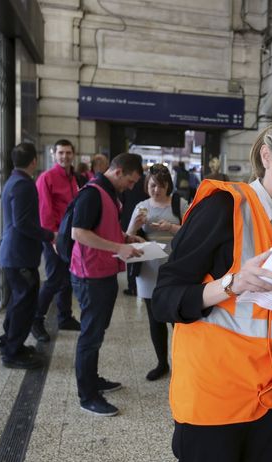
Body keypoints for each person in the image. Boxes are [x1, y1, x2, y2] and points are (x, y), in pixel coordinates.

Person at [152, 113, 272, 462]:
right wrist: (231, 284)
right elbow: (165, 298)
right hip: (216, 394)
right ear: (266, 156)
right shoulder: (223, 206)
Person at [70, 153, 145, 416]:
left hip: (103, 272)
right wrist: (118, 247)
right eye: (131, 181)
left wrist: (126, 238)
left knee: (97, 332)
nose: (132, 187)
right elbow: (78, 232)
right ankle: (87, 395)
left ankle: (93, 379)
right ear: (119, 171)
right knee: (90, 336)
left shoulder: (108, 193)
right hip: (90, 274)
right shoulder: (92, 193)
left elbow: (102, 228)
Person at [126, 164, 189, 381]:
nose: (156, 190)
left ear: (168, 185)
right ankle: (162, 363)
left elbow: (194, 230)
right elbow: (128, 237)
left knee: (176, 318)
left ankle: (183, 362)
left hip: (174, 266)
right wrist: (134, 226)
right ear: (147, 185)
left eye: (161, 186)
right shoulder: (141, 207)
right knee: (155, 319)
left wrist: (171, 228)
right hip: (148, 267)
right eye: (152, 186)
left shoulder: (179, 204)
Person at [0, 143, 55, 369]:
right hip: (19, 255)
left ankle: (12, 344)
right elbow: (23, 223)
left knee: (18, 302)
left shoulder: (14, 180)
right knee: (24, 305)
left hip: (16, 254)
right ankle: (12, 353)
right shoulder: (23, 185)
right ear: (34, 161)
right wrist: (48, 235)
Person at [33, 139, 82, 341]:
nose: (65, 156)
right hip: (54, 237)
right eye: (61, 153)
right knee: (53, 279)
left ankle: (65, 317)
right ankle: (36, 320)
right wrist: (53, 239)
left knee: (67, 278)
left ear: (73, 155)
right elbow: (44, 211)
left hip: (70, 236)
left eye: (68, 153)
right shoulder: (47, 178)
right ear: (53, 154)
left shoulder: (73, 178)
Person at [119, 167, 149, 297]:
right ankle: (142, 283)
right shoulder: (146, 181)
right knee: (143, 251)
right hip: (144, 218)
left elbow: (121, 202)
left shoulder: (126, 182)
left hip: (129, 220)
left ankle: (132, 286)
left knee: (131, 253)